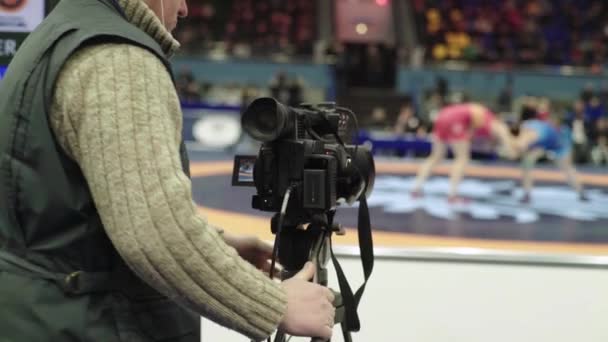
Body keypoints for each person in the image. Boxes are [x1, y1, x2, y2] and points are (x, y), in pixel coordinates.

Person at [0, 0, 335, 341]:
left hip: (40, 312)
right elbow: (154, 232)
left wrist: (215, 247)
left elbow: (73, 215)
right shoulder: (119, 58)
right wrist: (277, 304)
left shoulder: (62, 31)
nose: (186, 9)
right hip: (89, 323)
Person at [411, 102, 516, 202]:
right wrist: (511, 149)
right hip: (454, 120)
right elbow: (497, 132)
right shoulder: (488, 116)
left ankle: (416, 189)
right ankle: (453, 195)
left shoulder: (482, 118)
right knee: (462, 158)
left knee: (436, 156)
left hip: (442, 116)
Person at [514, 117, 588, 203]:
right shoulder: (527, 129)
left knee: (567, 167)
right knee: (527, 163)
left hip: (555, 142)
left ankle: (581, 192)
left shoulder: (531, 131)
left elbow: (519, 148)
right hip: (544, 141)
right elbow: (521, 148)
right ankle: (527, 194)